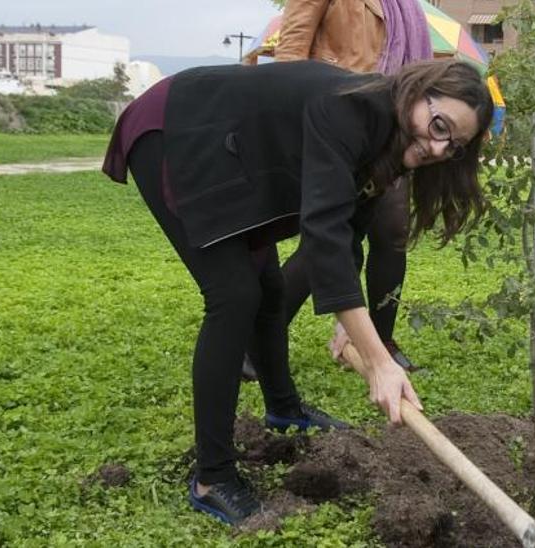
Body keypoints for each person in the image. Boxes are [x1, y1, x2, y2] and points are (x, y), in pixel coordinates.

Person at [101, 59, 493, 524]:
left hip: (241, 153)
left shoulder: (389, 142)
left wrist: (350, 328)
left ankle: (283, 410)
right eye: (439, 125)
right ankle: (213, 477)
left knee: (266, 288)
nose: (438, 146)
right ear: (417, 92)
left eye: (455, 145)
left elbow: (346, 235)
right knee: (234, 296)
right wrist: (379, 360)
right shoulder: (351, 110)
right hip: (182, 131)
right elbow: (322, 237)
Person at [250, 0, 433, 378]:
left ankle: (380, 341)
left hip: (392, 126)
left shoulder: (408, 6)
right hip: (338, 124)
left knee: (393, 231)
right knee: (328, 236)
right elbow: (292, 49)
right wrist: (288, 120)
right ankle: (257, 342)